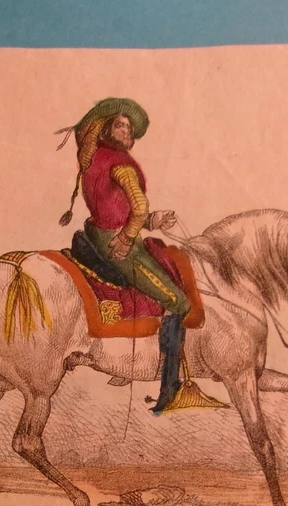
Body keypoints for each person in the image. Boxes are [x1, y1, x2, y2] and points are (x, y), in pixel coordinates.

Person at [56, 98, 191, 412]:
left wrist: (152, 221)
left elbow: (113, 208)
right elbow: (138, 207)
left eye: (129, 127)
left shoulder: (94, 157)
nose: (127, 131)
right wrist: (129, 236)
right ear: (106, 128)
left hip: (96, 233)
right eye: (120, 125)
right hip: (116, 244)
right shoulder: (121, 164)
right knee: (179, 302)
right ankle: (170, 390)